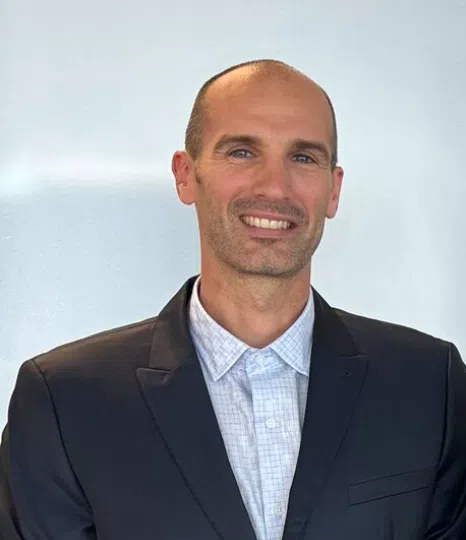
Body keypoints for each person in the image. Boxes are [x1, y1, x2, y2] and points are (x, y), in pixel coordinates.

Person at [1, 59, 465, 540]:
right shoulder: (63, 402)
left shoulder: (430, 386)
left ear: (333, 189)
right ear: (186, 175)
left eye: (304, 158)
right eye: (242, 152)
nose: (274, 187)